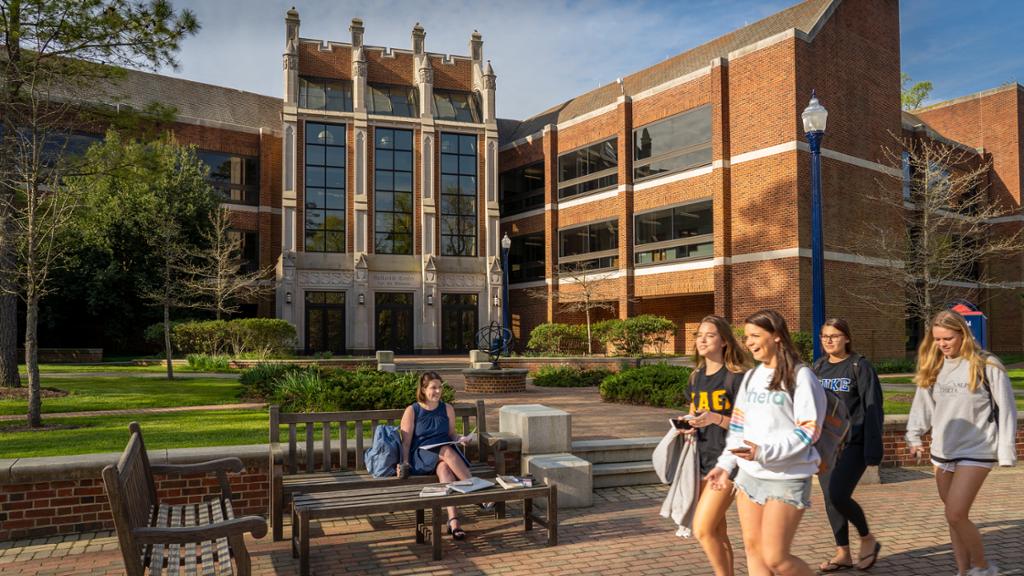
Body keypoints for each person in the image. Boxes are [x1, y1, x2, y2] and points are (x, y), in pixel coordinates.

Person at [705, 309, 826, 576]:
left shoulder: (801, 376)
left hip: (787, 478)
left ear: (777, 336)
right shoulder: (752, 376)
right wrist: (725, 465)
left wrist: (764, 451)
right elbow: (738, 427)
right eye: (747, 336)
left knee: (776, 558)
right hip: (749, 477)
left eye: (755, 335)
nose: (748, 342)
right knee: (753, 550)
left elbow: (809, 430)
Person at [906, 310, 1018, 576]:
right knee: (953, 517)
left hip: (977, 449)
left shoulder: (986, 364)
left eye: (948, 338)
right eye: (937, 339)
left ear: (963, 335)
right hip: (942, 451)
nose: (942, 344)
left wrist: (1006, 452)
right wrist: (914, 436)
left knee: (956, 513)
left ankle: (983, 567)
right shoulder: (934, 366)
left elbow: (1007, 409)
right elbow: (922, 407)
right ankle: (962, 570)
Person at [678, 314, 752, 576]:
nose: (702, 340)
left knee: (703, 529)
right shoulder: (695, 377)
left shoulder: (737, 377)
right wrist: (687, 424)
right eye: (699, 335)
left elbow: (750, 424)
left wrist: (716, 418)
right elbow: (694, 412)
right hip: (701, 459)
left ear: (724, 341)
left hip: (730, 462)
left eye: (709, 335)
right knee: (718, 531)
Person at [813, 318, 884, 572]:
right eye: (824, 336)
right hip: (826, 446)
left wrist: (873, 448)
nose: (829, 340)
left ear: (847, 338)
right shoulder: (818, 367)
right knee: (830, 499)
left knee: (838, 494)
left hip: (854, 443)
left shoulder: (859, 366)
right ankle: (842, 553)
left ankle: (867, 538)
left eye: (834, 335)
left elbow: (873, 407)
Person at [398, 371, 476, 540]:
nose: (438, 391)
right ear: (423, 389)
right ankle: (476, 491)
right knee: (446, 451)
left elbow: (451, 434)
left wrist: (461, 439)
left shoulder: (447, 408)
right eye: (433, 388)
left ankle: (453, 521)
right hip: (421, 455)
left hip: (443, 456)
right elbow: (406, 443)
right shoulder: (412, 410)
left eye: (440, 387)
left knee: (446, 470)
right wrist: (405, 462)